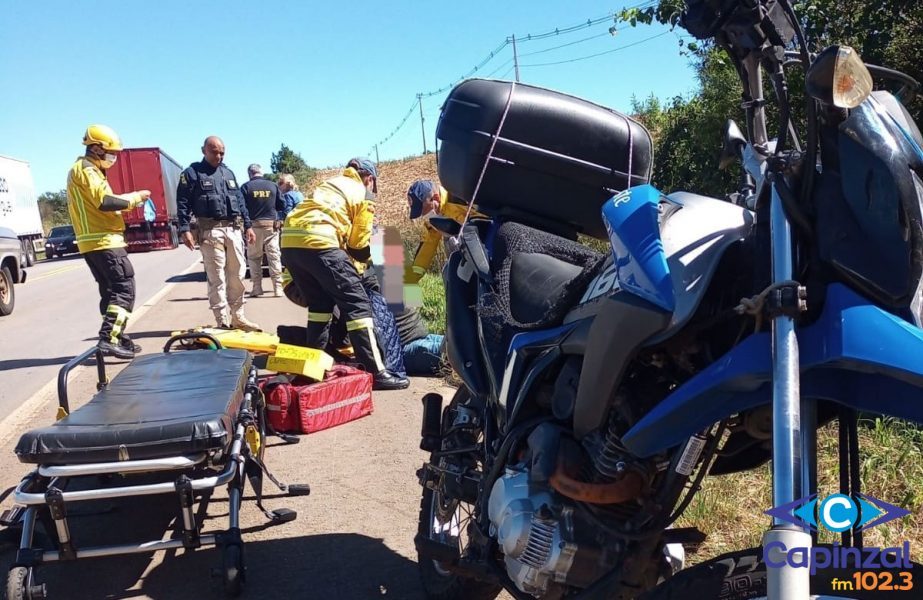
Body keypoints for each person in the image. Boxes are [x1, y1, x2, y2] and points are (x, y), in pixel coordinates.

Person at [281, 158, 409, 390]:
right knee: (358, 306)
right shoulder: (363, 193)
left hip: (290, 243)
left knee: (320, 307)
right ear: (369, 179)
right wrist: (372, 263)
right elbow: (358, 245)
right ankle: (376, 372)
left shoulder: (332, 184)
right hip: (320, 241)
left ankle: (313, 368)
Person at [66, 124, 151, 359]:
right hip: (103, 240)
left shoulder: (87, 169)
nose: (113, 157)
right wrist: (136, 198)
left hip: (93, 241)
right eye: (109, 151)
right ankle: (109, 338)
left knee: (111, 291)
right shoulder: (87, 170)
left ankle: (117, 335)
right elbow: (105, 201)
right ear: (95, 148)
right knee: (124, 288)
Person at [177, 136, 261, 331]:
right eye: (214, 151)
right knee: (217, 278)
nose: (219, 156)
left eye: (222, 152)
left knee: (238, 274)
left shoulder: (228, 173)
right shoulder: (191, 173)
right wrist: (184, 229)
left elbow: (240, 202)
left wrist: (248, 226)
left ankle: (238, 317)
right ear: (203, 150)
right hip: (210, 231)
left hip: (233, 230)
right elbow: (182, 203)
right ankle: (222, 320)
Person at [405, 179, 484, 284]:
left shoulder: (461, 196)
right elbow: (427, 247)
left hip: (486, 245)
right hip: (468, 255)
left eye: (425, 210)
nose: (424, 215)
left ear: (436, 198)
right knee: (450, 273)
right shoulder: (434, 218)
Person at [240, 163, 285, 297]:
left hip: (253, 228)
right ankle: (278, 288)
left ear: (250, 173)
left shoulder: (246, 187)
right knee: (274, 256)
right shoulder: (273, 185)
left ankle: (257, 288)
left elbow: (242, 208)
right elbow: (281, 204)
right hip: (271, 226)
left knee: (254, 258)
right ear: (261, 172)